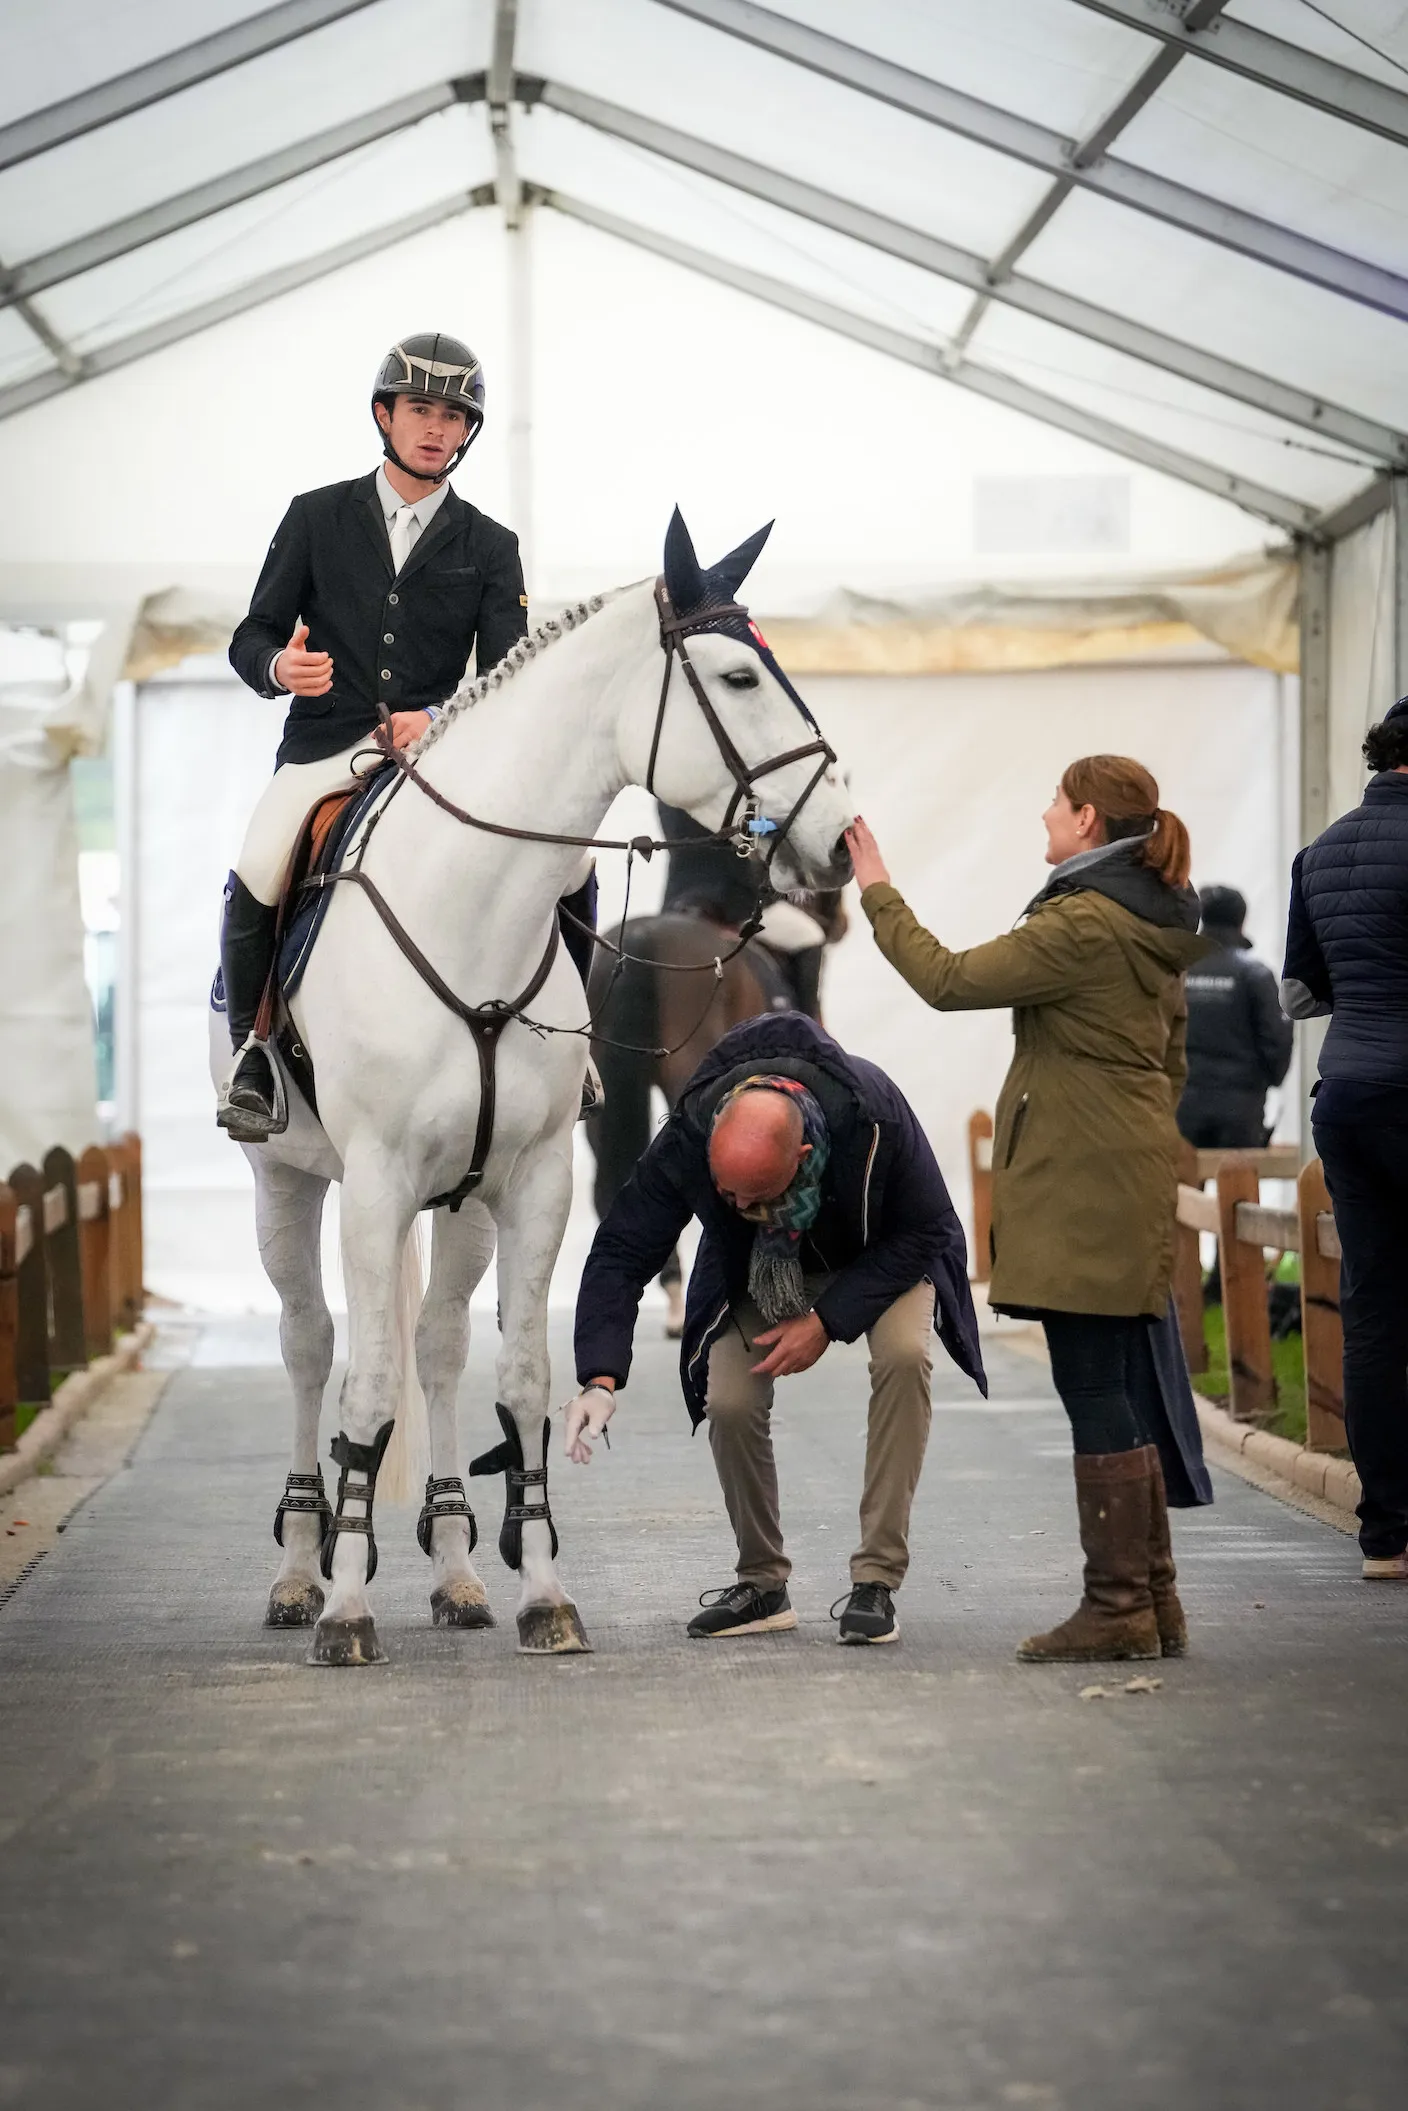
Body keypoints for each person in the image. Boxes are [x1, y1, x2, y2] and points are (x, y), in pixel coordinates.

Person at [846, 756, 1214, 1665]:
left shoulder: (1086, 922)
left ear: (1088, 818)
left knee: (1093, 1381)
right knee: (1122, 1377)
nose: (1043, 815)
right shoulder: (1154, 918)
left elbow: (948, 978)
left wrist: (879, 891)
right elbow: (1172, 1064)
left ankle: (1118, 1606)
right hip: (1122, 1166)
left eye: (1055, 802)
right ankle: (1153, 1604)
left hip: (1084, 1178)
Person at [220, 332, 595, 1140]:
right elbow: (251, 634)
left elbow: (507, 674)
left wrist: (443, 717)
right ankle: (254, 1046)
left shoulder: (491, 545)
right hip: (325, 751)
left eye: (453, 416)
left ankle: (577, 1038)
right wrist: (280, 669)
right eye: (420, 409)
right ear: (385, 415)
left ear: (468, 433)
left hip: (439, 760)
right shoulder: (315, 516)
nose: (435, 427)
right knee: (259, 861)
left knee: (575, 862)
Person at [564, 1012, 986, 1645]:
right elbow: (625, 1247)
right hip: (761, 1268)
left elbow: (929, 1229)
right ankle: (762, 1584)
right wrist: (599, 1376)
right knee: (729, 1400)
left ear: (805, 1154)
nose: (741, 1210)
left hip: (880, 1254)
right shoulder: (689, 1135)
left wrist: (827, 1321)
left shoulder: (874, 1114)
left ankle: (877, 1579)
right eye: (727, 1198)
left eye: (757, 1199)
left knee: (903, 1357)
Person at [1282, 697, 1408, 1581]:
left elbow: (1298, 997)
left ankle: (1383, 1534)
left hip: (1350, 1097)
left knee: (1371, 1312)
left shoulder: (1317, 852)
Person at [1178, 884, 1292, 1148]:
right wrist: (1271, 1077)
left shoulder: (1179, 970)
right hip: (1241, 1108)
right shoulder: (1255, 974)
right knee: (1239, 1185)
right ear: (1241, 920)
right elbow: (1276, 1039)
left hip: (1182, 1102)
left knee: (1183, 1184)